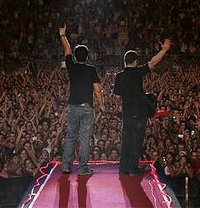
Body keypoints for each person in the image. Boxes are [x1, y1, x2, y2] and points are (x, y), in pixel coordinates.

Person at [113, 39, 171, 176]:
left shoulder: (119, 76)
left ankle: (123, 169)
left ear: (125, 61)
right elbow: (152, 62)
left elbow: (117, 95)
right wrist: (164, 50)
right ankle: (133, 169)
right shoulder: (137, 72)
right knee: (136, 141)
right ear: (135, 61)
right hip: (139, 113)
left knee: (126, 141)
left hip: (126, 113)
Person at [59, 26, 105, 176]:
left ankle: (66, 166)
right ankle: (83, 168)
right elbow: (97, 89)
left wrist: (63, 36)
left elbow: (68, 50)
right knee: (85, 138)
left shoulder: (71, 66)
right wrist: (101, 105)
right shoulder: (91, 69)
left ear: (76, 57)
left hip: (72, 107)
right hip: (86, 108)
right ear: (87, 57)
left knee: (71, 136)